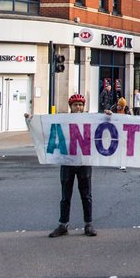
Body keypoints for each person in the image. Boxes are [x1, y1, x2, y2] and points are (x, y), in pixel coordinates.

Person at [48, 93, 96, 236]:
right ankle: (63, 224)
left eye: (81, 105)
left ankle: (88, 224)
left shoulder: (90, 120)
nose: (78, 107)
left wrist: (109, 115)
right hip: (67, 161)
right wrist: (31, 120)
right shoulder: (63, 120)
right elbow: (45, 126)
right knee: (65, 195)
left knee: (86, 195)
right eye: (75, 105)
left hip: (84, 161)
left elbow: (106, 126)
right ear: (71, 107)